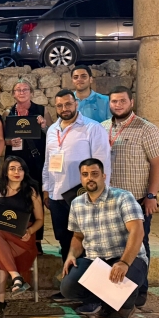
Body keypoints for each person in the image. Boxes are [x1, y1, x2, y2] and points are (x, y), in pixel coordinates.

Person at [60, 158, 147, 318]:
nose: (90, 178)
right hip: (95, 260)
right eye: (85, 174)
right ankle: (104, 301)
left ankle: (126, 306)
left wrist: (124, 263)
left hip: (125, 258)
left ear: (103, 176)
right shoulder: (77, 204)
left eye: (94, 174)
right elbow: (78, 236)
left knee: (126, 282)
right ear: (81, 178)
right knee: (68, 287)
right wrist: (71, 254)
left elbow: (137, 231)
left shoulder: (123, 197)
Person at [103, 86, 159, 307]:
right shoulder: (103, 128)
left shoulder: (146, 129)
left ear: (131, 102)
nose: (118, 105)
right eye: (114, 101)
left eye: (122, 101)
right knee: (113, 244)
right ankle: (114, 289)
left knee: (140, 244)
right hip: (109, 201)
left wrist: (151, 195)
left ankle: (140, 289)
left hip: (137, 200)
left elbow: (158, 163)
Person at [43, 89, 111, 265]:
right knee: (64, 240)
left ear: (76, 104)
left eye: (68, 104)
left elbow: (103, 164)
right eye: (59, 105)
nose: (64, 108)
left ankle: (87, 280)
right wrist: (46, 189)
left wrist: (100, 195)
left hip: (82, 196)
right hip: (57, 196)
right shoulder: (52, 130)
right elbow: (48, 162)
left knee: (87, 242)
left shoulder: (93, 128)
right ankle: (70, 279)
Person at [0, 156, 45, 318]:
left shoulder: (31, 191)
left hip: (22, 239)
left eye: (20, 169)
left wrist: (30, 231)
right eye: (12, 168)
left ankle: (0, 301)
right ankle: (15, 277)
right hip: (0, 236)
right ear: (6, 171)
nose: (17, 172)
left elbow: (40, 220)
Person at [4, 79, 52, 254]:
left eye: (25, 89)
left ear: (31, 92)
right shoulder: (8, 113)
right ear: (13, 94)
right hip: (15, 161)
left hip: (35, 160)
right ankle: (16, 236)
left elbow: (51, 134)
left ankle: (37, 240)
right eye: (18, 90)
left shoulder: (42, 111)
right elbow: (3, 138)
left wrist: (43, 125)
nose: (22, 92)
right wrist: (10, 141)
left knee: (35, 198)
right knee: (16, 198)